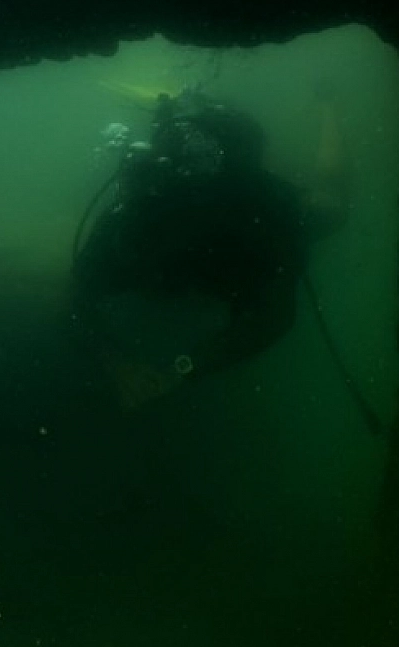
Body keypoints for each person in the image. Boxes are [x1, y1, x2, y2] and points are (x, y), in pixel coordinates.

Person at [71, 86, 350, 407]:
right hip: (225, 208)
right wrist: (117, 364)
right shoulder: (139, 214)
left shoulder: (262, 220)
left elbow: (275, 316)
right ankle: (186, 104)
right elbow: (79, 289)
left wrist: (185, 368)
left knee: (333, 207)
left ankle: (328, 105)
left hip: (247, 213)